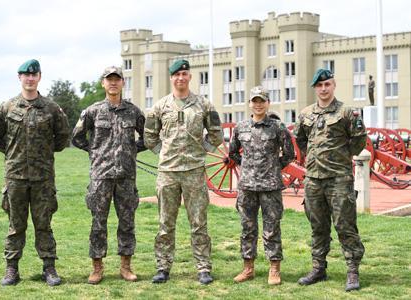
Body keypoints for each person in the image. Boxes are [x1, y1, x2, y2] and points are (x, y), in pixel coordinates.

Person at [0, 59, 70, 286]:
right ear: (19, 78)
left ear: (39, 77)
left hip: (43, 177)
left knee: (44, 224)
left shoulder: (51, 108)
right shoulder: (8, 107)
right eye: (26, 75)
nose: (30, 78)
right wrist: (13, 153)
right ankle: (12, 269)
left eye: (34, 75)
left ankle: (49, 268)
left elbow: (63, 137)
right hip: (15, 177)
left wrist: (42, 154)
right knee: (16, 225)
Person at [144, 59, 223, 285]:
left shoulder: (204, 105)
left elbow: (216, 135)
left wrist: (202, 152)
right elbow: (149, 137)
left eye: (184, 74)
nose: (181, 78)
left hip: (194, 172)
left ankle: (203, 268)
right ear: (171, 78)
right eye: (176, 74)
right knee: (165, 224)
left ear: (190, 77)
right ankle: (162, 267)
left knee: (199, 222)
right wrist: (163, 154)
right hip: (168, 172)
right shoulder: (159, 107)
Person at [294, 69, 367, 292]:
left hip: (339, 179)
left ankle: (352, 271)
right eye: (319, 85)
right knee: (318, 227)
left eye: (327, 84)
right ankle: (318, 268)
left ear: (333, 85)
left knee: (345, 226)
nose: (323, 89)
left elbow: (358, 142)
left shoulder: (347, 112)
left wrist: (339, 159)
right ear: (315, 88)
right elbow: (301, 140)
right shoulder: (306, 114)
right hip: (314, 180)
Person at [72, 66, 146, 284]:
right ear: (103, 84)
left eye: (117, 79)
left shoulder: (133, 112)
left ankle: (126, 266)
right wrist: (95, 152)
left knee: (127, 222)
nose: (113, 83)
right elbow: (77, 137)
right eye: (109, 80)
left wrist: (132, 150)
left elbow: (147, 136)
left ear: (123, 83)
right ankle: (97, 267)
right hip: (101, 176)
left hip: (126, 175)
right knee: (98, 222)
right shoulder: (93, 111)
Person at [228, 86, 294, 285]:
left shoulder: (278, 127)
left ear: (267, 103)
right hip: (247, 186)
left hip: (270, 187)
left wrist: (273, 167)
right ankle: (248, 268)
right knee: (247, 228)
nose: (258, 104)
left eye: (262, 101)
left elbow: (289, 154)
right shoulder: (241, 127)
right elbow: (233, 153)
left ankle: (274, 269)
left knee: (272, 228)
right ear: (249, 104)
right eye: (255, 101)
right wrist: (248, 166)